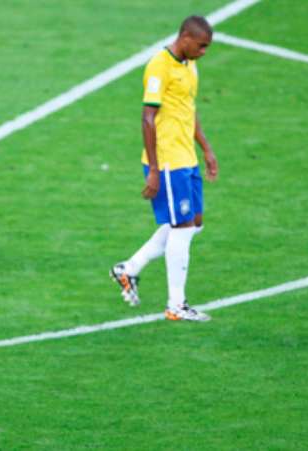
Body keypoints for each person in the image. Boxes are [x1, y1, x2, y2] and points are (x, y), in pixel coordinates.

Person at [110, 15, 218, 322]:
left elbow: (189, 110)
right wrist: (154, 170)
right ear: (185, 38)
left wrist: (206, 149)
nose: (204, 52)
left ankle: (128, 269)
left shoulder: (189, 65)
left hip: (187, 159)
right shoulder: (159, 66)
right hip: (168, 162)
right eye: (201, 46)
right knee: (181, 227)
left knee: (193, 223)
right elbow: (147, 118)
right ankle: (176, 305)